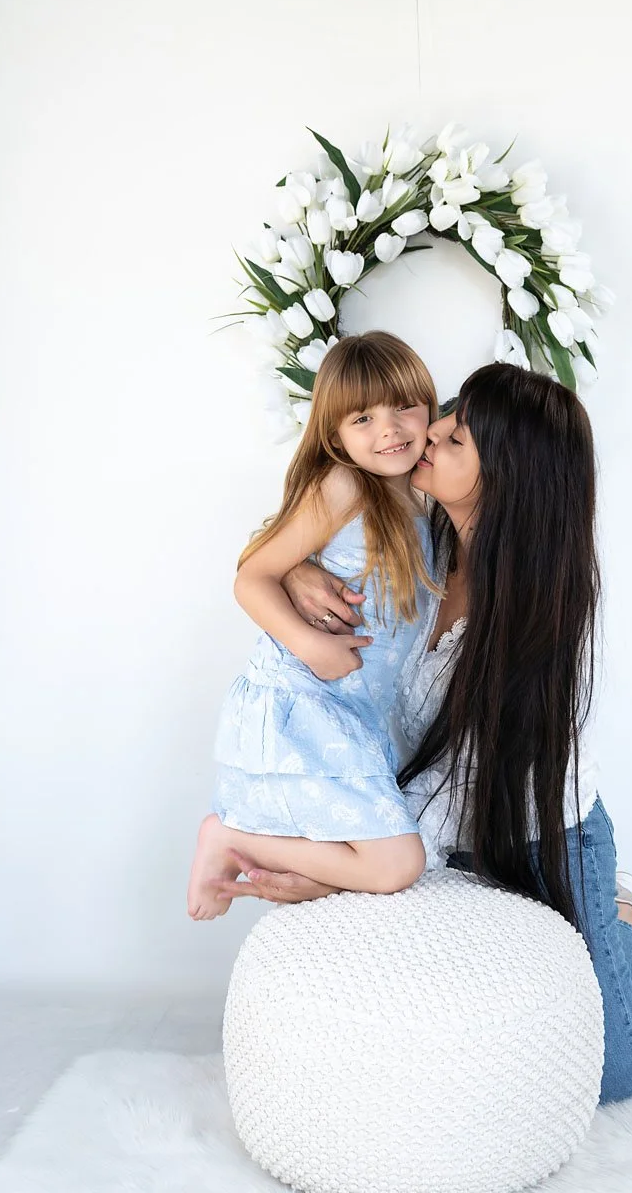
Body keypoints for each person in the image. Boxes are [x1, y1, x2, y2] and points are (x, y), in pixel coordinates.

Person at [212, 362, 632, 1104]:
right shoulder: (418, 530)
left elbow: (461, 780)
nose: (425, 436)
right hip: (441, 815)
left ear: (504, 474)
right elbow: (287, 535)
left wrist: (345, 867)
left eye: (453, 438)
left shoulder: (527, 613)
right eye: (444, 421)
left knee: (616, 1074)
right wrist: (295, 574)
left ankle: (623, 918)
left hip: (539, 829)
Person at [186, 331, 443, 920]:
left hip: (357, 714)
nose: (391, 429)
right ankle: (228, 838)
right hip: (306, 702)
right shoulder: (345, 486)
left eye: (405, 405)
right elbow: (252, 576)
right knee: (397, 864)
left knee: (397, 856)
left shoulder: (423, 498)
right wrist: (308, 643)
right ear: (334, 435)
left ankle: (272, 857)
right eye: (364, 417)